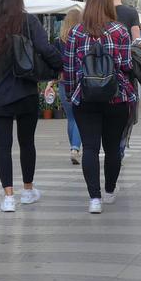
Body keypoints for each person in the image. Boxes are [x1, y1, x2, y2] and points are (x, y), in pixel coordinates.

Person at [0, 0, 62, 212]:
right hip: (24, 92)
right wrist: (61, 66)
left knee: (2, 144)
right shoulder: (27, 21)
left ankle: (8, 197)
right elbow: (45, 49)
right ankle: (28, 190)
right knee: (26, 142)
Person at [62, 0, 135, 214]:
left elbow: (70, 68)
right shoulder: (120, 31)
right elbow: (126, 65)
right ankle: (110, 191)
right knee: (112, 148)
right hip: (116, 98)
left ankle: (94, 199)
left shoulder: (76, 32)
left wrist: (75, 93)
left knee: (91, 148)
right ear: (108, 6)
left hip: (86, 99)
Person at [47, 9, 83, 165]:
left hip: (63, 81)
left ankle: (73, 148)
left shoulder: (58, 41)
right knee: (80, 117)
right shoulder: (82, 37)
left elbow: (54, 64)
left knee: (70, 118)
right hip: (80, 81)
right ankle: (75, 148)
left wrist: (51, 81)